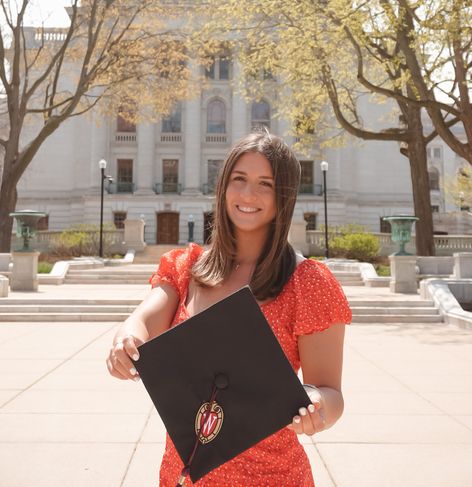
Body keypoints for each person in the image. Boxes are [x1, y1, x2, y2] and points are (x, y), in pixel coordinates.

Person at [107, 131, 352, 486]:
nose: (248, 194)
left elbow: (331, 392)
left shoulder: (307, 283)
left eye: (264, 184)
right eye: (239, 179)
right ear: (223, 186)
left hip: (271, 475)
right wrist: (125, 339)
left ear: (283, 195)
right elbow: (143, 319)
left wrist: (317, 405)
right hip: (183, 473)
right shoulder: (184, 267)